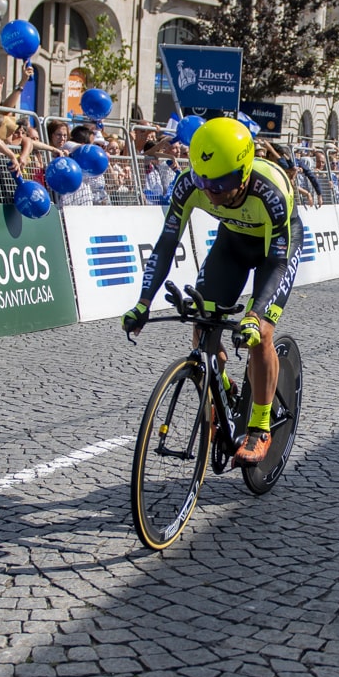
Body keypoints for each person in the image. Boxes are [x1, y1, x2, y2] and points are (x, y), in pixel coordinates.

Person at [123, 118, 300, 467]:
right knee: (203, 325)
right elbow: (166, 244)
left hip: (274, 252)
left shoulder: (272, 190)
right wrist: (143, 302)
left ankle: (260, 426)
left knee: (260, 332)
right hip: (231, 244)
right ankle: (224, 391)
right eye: (205, 181)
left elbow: (278, 263)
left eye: (222, 182)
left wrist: (254, 313)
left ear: (245, 172)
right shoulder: (190, 184)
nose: (212, 192)